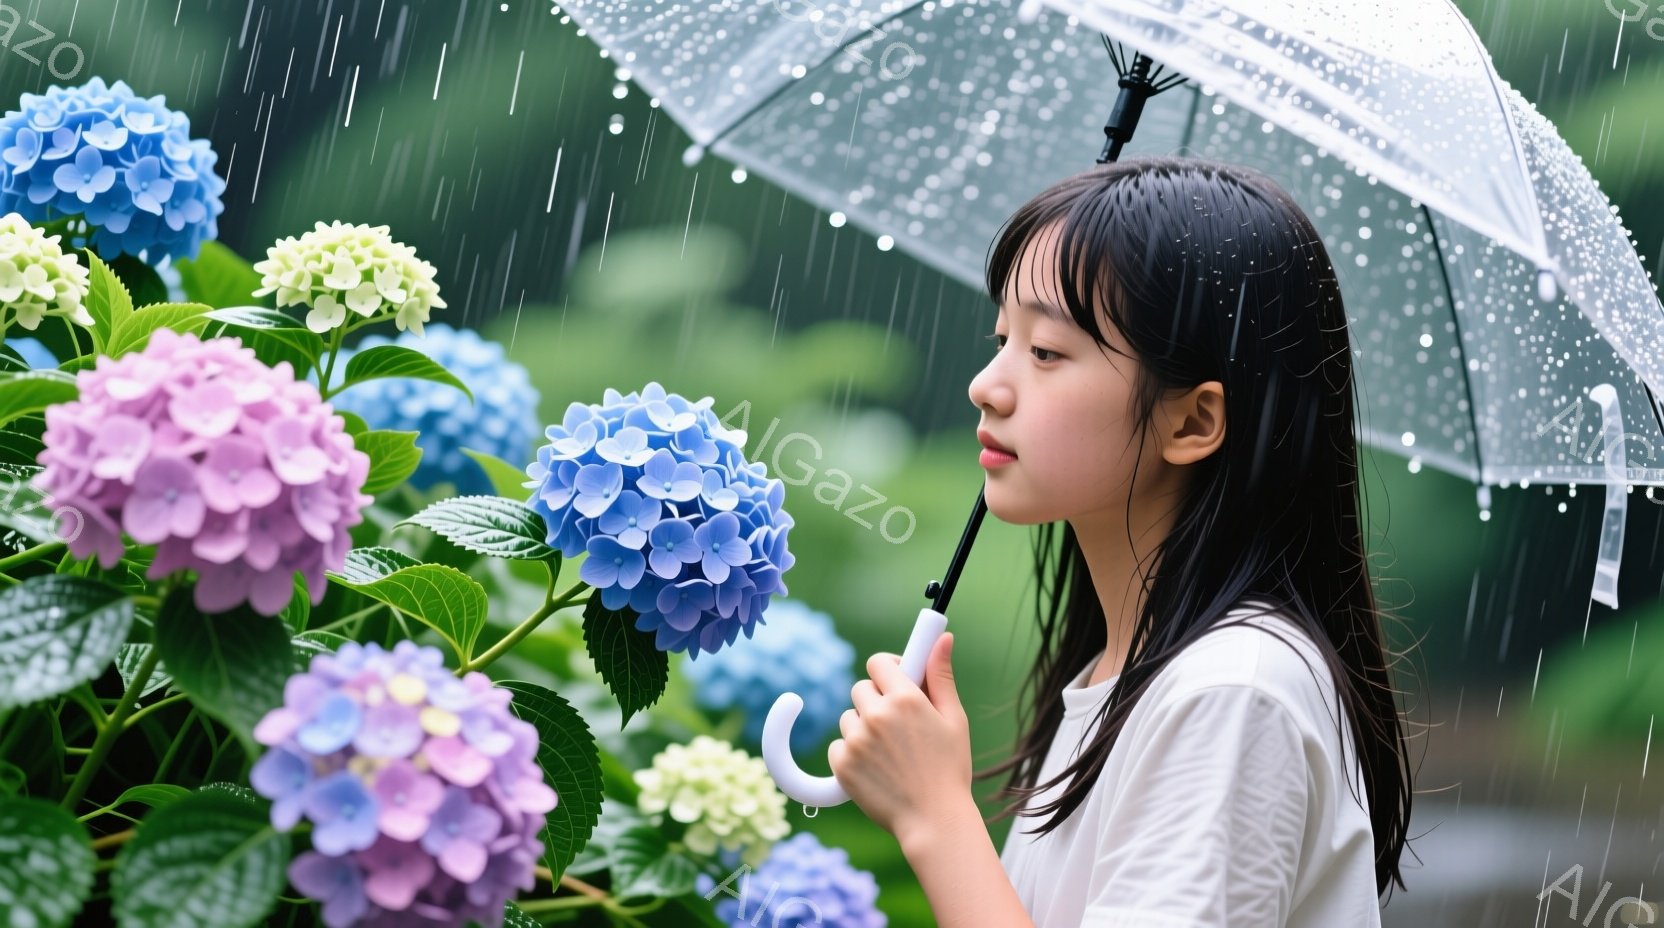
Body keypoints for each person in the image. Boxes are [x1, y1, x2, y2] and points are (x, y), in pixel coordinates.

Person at [826, 155, 1420, 927]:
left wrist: (934, 816)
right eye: (1003, 336)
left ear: (1193, 421)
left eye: (1046, 353)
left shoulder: (1233, 691)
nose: (987, 384)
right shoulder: (1123, 678)